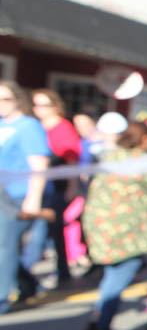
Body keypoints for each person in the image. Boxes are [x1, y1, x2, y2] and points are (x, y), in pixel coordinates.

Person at [81, 120, 147, 330]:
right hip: (128, 232)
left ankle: (98, 320)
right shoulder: (144, 162)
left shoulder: (110, 157)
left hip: (100, 227)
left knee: (112, 275)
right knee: (118, 278)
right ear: (144, 139)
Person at [0, 81, 49, 314]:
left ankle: (1, 297)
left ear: (17, 100)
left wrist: (34, 198)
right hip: (2, 194)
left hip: (17, 196)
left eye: (5, 99)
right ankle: (28, 285)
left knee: (4, 248)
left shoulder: (29, 126)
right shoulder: (3, 125)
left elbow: (39, 165)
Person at [32, 88, 80, 286]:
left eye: (44, 105)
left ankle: (29, 277)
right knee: (49, 230)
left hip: (56, 187)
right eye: (36, 104)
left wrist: (72, 187)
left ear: (55, 106)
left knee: (45, 229)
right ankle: (61, 271)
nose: (38, 109)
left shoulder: (63, 128)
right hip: (37, 185)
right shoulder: (35, 127)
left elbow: (72, 161)